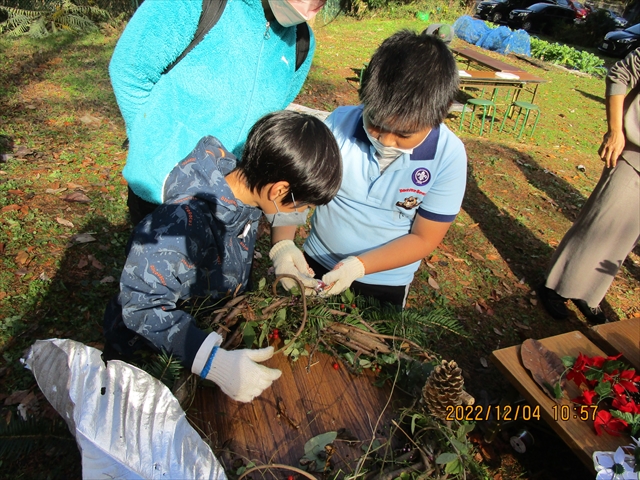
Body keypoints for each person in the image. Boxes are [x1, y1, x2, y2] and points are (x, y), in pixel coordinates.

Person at [103, 111, 342, 402]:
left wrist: (282, 250)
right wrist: (209, 359)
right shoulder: (181, 224)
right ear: (279, 190)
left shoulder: (245, 190)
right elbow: (140, 307)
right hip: (150, 354)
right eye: (302, 206)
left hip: (205, 322)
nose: (301, 215)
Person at [269, 30, 467, 308]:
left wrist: (358, 267)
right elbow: (296, 193)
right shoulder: (337, 126)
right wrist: (283, 246)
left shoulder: (448, 156)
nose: (384, 140)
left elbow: (424, 237)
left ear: (442, 112)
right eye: (375, 122)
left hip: (386, 282)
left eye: (403, 134)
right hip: (314, 264)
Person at [109, 0, 331, 225]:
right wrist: (160, 161)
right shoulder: (198, 4)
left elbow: (273, 117)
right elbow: (130, 72)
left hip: (230, 203)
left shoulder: (301, 42)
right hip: (163, 192)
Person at [538, 48, 640, 324]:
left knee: (624, 238)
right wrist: (616, 130)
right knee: (600, 223)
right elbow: (621, 73)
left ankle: (588, 293)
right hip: (635, 155)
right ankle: (556, 286)